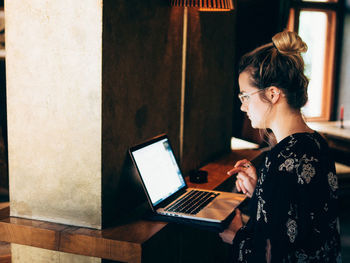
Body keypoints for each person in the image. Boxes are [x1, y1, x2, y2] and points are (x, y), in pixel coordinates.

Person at [219, 30, 342, 262]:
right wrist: (262, 192)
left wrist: (236, 234)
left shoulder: (282, 159)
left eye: (245, 96)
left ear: (273, 93)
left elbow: (271, 254)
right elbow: (302, 220)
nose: (243, 107)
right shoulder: (317, 143)